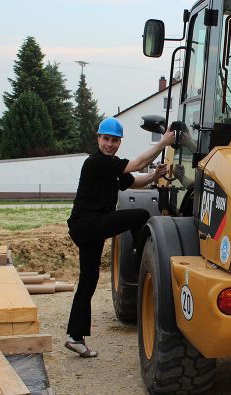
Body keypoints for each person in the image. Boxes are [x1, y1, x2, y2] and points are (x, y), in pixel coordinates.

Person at [65, 117, 175, 357]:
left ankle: (75, 337)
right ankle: (142, 264)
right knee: (141, 214)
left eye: (115, 140)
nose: (110, 144)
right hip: (88, 224)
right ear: (98, 139)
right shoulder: (96, 162)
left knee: (88, 281)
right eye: (106, 139)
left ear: (119, 142)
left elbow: (133, 181)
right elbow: (136, 165)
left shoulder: (112, 165)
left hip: (88, 228)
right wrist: (162, 143)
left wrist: (155, 176)